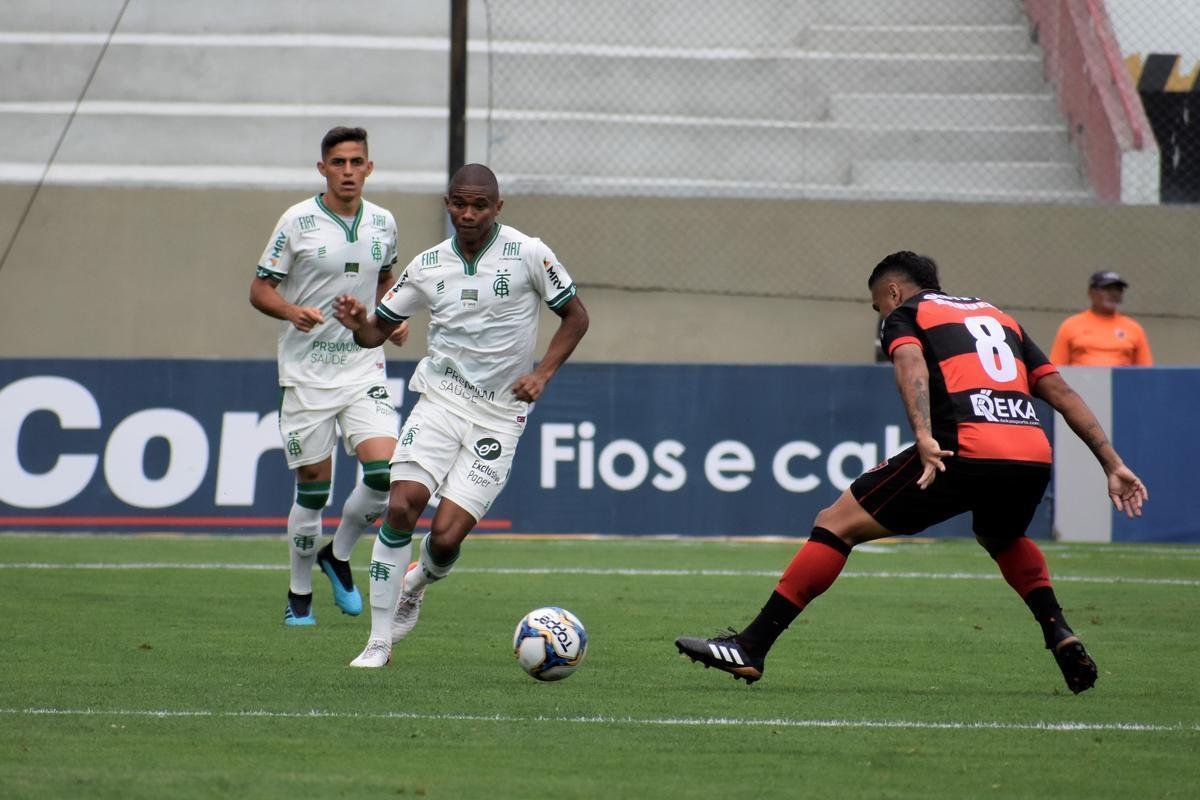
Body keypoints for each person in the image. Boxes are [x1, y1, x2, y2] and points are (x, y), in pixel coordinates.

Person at [676, 251, 1148, 693]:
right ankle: (1059, 631)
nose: (880, 314)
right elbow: (1060, 391)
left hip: (961, 446)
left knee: (835, 524)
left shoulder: (908, 314)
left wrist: (923, 433)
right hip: (1030, 454)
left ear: (895, 292)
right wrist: (1113, 463)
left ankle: (750, 646)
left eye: (877, 304)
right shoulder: (999, 317)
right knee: (1001, 536)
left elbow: (909, 360)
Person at [332, 163, 589, 668]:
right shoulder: (428, 265)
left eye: (478, 205)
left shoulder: (529, 254)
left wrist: (542, 375)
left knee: (446, 537)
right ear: (448, 204)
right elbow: (374, 333)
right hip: (441, 401)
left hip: (499, 417)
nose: (467, 214)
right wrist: (361, 323)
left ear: (498, 207)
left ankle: (417, 583)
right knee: (403, 504)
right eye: (458, 204)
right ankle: (378, 642)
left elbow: (576, 316)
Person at [250, 126, 408, 626]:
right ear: (323, 169)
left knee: (384, 476)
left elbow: (387, 279)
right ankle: (299, 595)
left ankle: (337, 555)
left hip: (363, 367)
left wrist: (392, 319)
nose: (347, 171)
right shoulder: (297, 221)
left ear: (369, 168)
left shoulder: (383, 222)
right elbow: (259, 289)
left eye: (355, 162)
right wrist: (291, 311)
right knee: (313, 493)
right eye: (337, 162)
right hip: (307, 375)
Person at [1049, 270, 1153, 366]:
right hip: (1079, 384)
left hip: (1121, 384)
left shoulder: (1134, 328)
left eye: (1118, 290)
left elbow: (1145, 372)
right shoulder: (1070, 325)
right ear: (1091, 292)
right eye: (1107, 289)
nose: (1114, 294)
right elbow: (1056, 367)